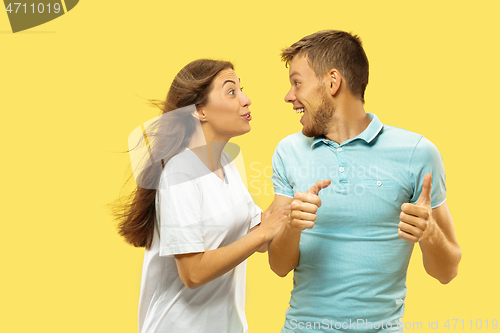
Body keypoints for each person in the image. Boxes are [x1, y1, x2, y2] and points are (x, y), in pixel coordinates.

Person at [266, 30, 462, 333]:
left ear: (332, 82)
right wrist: (292, 225)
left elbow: (447, 271)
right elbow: (278, 266)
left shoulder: (417, 153)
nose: (289, 96)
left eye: (297, 82)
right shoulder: (288, 151)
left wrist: (429, 231)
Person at [112, 59, 290, 333]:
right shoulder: (179, 173)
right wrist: (262, 233)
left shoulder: (227, 166)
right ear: (199, 112)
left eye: (242, 89)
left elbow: (261, 234)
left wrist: (293, 187)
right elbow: (193, 273)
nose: (246, 99)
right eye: (232, 91)